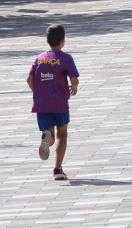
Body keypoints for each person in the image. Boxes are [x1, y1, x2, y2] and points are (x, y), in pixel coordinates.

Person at [27, 24, 79, 181]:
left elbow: (29, 79)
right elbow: (74, 78)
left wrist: (38, 92)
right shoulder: (65, 58)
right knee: (62, 135)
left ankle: (46, 139)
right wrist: (74, 87)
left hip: (42, 104)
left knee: (49, 135)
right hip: (60, 103)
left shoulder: (39, 58)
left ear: (47, 40)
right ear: (63, 41)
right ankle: (57, 169)